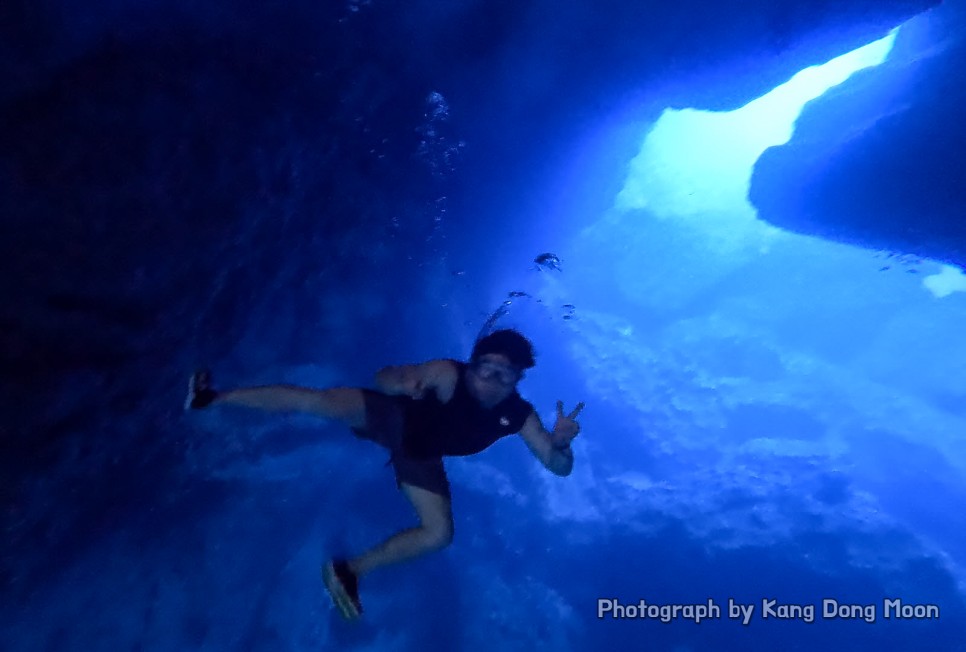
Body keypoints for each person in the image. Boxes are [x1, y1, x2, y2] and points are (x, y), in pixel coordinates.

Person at [184, 329, 584, 620]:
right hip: (393, 417)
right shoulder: (446, 373)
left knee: (439, 534)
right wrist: (403, 382)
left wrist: (562, 444)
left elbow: (557, 467)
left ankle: (348, 571)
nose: (492, 381)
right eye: (486, 369)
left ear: (519, 380)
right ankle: (212, 397)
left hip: (420, 454)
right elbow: (384, 376)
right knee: (318, 402)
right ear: (472, 364)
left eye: (506, 375)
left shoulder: (517, 414)